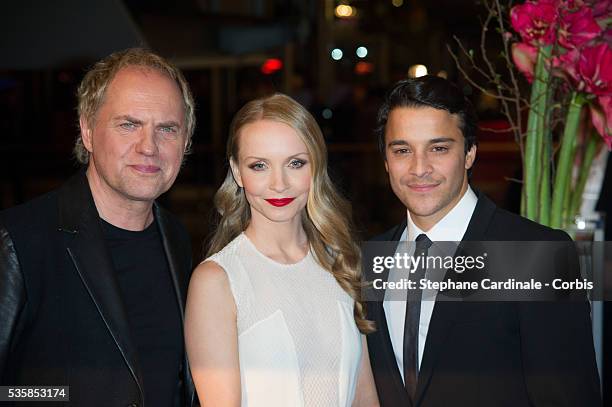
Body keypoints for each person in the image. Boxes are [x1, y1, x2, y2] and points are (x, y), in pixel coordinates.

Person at [366, 75, 601, 406]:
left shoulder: (536, 255)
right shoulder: (368, 261)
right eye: (402, 150)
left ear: (470, 153)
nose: (419, 168)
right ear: (386, 161)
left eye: (439, 148)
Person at [0, 48, 197, 406]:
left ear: (185, 143)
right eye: (128, 125)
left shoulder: (180, 240)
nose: (148, 147)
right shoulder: (18, 240)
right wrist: (63, 397)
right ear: (88, 131)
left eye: (167, 129)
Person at [185, 93, 380, 406]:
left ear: (315, 166)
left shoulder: (341, 262)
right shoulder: (218, 281)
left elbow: (365, 396)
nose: (279, 184)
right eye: (259, 165)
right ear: (237, 172)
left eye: (295, 163)